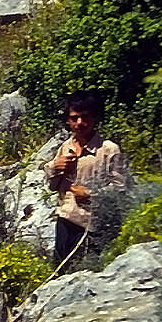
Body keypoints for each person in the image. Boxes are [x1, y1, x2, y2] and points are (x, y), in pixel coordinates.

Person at [44, 92, 128, 264]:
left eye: (85, 117)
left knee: (88, 269)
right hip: (66, 219)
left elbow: (121, 188)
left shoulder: (108, 150)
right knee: (61, 268)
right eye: (74, 118)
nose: (80, 123)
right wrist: (55, 167)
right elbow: (52, 186)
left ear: (95, 118)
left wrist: (91, 194)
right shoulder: (65, 147)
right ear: (68, 120)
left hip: (94, 224)